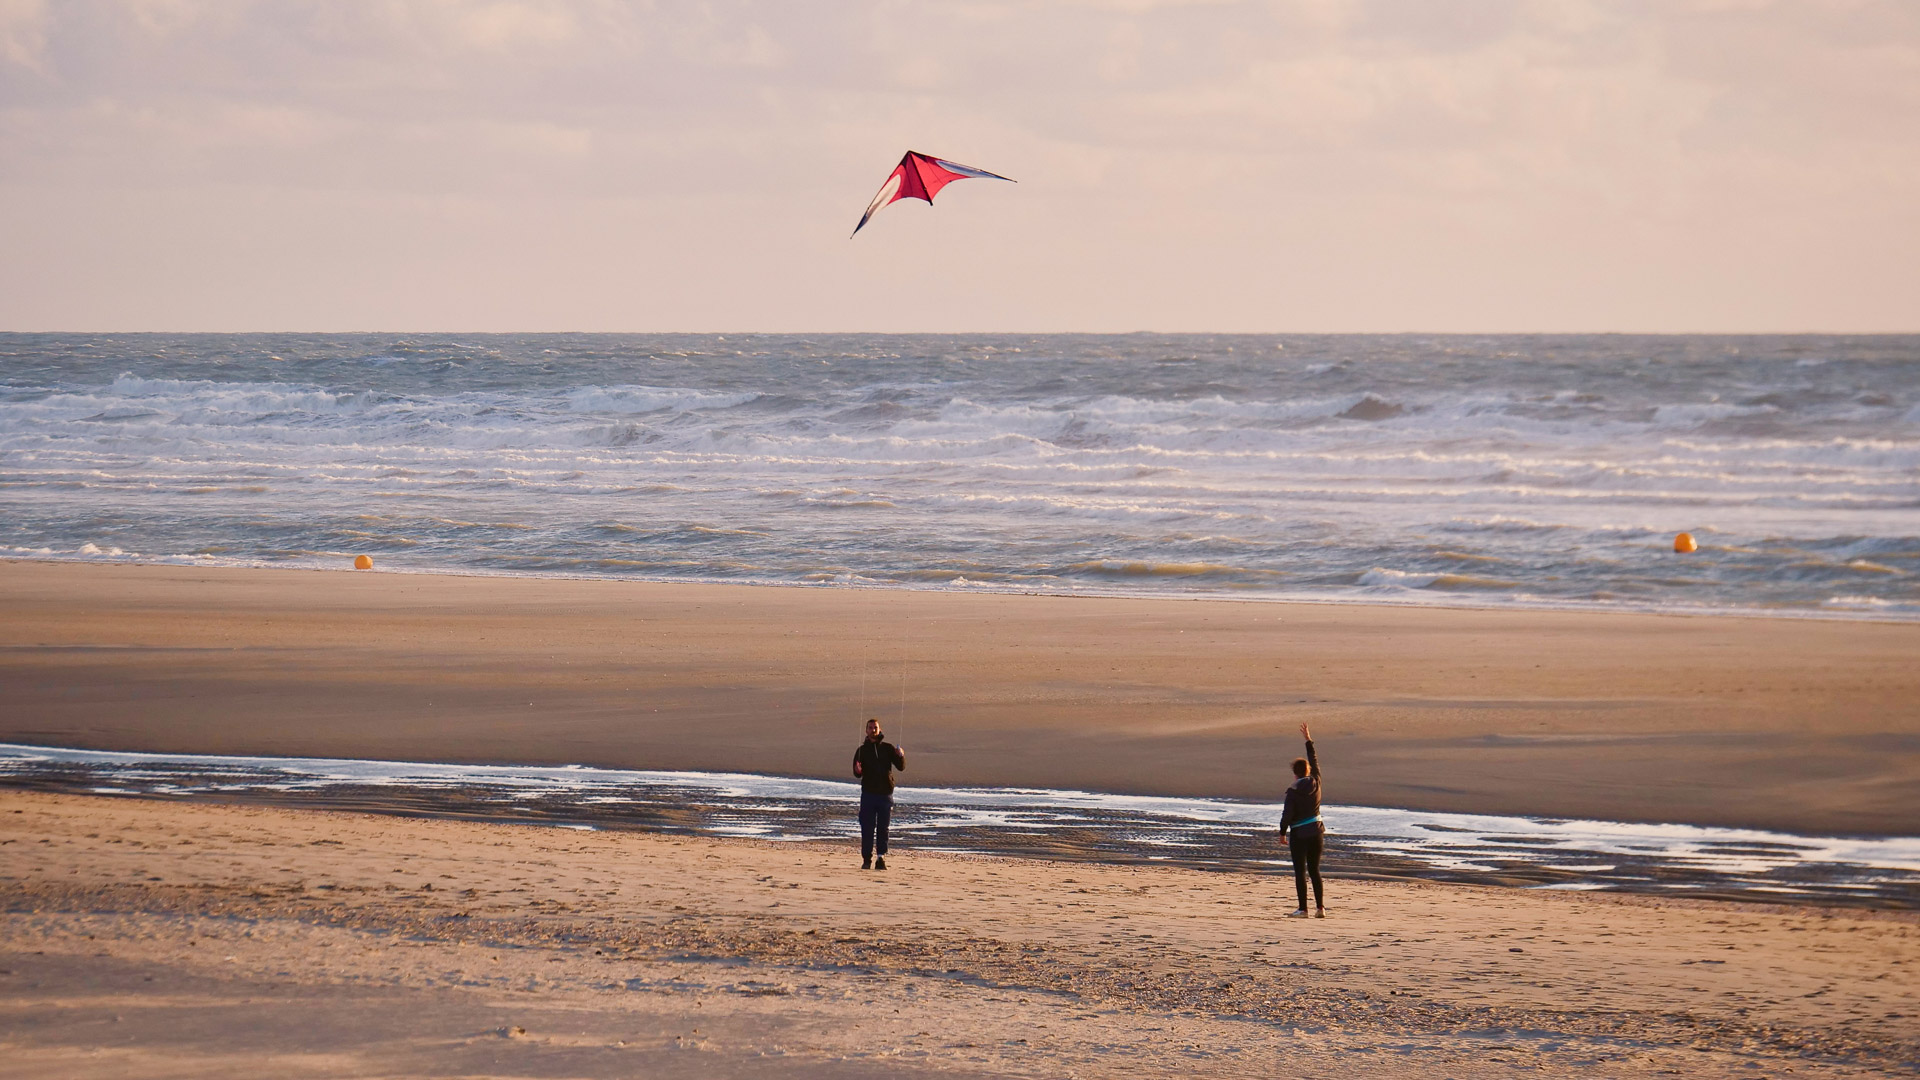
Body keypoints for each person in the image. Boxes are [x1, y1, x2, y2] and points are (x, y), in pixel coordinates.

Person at [1279, 721, 1325, 918]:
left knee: (1300, 871)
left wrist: (1282, 832)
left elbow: (1287, 815)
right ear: (1307, 771)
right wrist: (1308, 740)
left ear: (1295, 774)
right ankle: (1320, 908)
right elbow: (1314, 761)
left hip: (1299, 834)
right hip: (1316, 831)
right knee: (1314, 870)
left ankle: (1303, 909)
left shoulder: (1292, 791)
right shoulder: (1316, 781)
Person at [852, 717, 905, 870]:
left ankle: (881, 857)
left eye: (875, 727)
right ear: (866, 731)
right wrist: (858, 770)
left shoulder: (887, 748)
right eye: (870, 728)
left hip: (885, 794)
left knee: (883, 828)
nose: (873, 730)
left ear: (879, 729)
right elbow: (856, 773)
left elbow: (900, 767)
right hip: (868, 794)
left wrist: (901, 755)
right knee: (867, 827)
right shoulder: (861, 750)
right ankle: (866, 859)